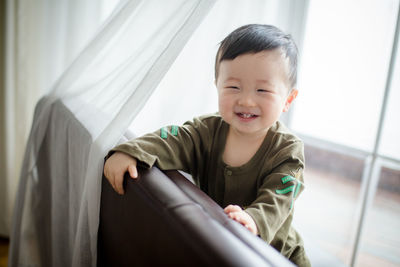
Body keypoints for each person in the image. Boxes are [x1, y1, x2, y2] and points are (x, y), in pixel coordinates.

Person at [103, 24, 310, 266]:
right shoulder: (207, 130)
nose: (246, 100)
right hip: (220, 242)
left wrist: (253, 219)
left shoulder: (287, 150)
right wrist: (134, 151)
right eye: (233, 87)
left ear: (288, 99)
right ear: (217, 86)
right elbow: (174, 138)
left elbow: (280, 197)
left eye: (262, 90)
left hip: (276, 253)